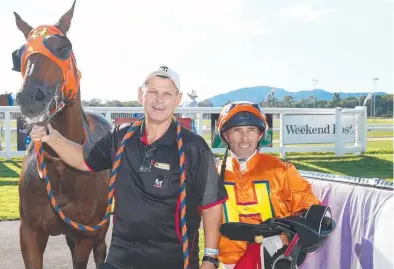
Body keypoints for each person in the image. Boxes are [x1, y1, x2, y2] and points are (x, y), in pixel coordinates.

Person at [29, 66, 228, 269]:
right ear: (141, 95)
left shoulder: (195, 148)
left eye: (167, 93)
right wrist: (50, 137)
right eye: (153, 92)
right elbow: (83, 159)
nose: (159, 100)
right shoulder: (121, 137)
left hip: (174, 262)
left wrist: (210, 259)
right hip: (121, 261)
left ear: (178, 99)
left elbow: (211, 205)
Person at [214, 101, 325, 269]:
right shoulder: (214, 173)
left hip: (276, 260)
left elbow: (313, 216)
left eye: (251, 130)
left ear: (260, 135)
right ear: (225, 136)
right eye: (237, 130)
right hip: (230, 263)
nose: (245, 138)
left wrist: (283, 238)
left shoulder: (282, 170)